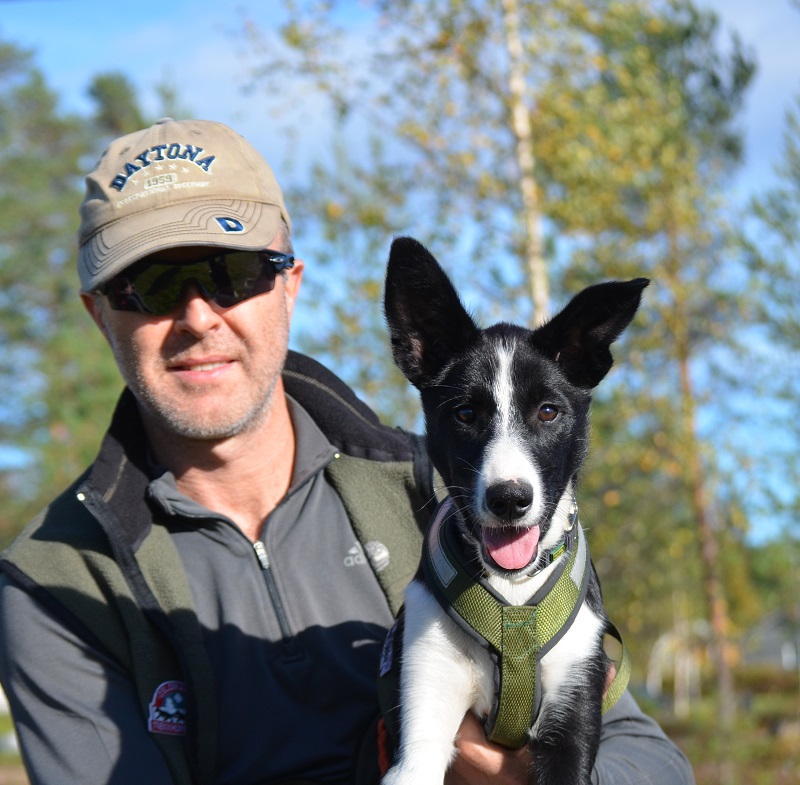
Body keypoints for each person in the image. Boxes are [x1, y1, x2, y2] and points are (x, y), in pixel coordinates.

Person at [0, 118, 694, 785]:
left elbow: (649, 759)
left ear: (289, 283)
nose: (198, 317)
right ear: (100, 314)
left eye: (232, 273)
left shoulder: (441, 490)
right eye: (147, 286)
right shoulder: (57, 582)